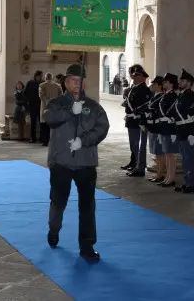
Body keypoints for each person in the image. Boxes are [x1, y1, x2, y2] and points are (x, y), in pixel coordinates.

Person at [44, 63, 110, 261]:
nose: (76, 84)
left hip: (86, 163)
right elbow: (48, 118)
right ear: (65, 82)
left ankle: (87, 245)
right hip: (61, 162)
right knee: (58, 202)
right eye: (72, 80)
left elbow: (102, 127)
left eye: (80, 81)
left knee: (87, 207)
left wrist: (84, 141)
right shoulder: (56, 103)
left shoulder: (93, 107)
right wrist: (70, 111)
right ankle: (54, 229)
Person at [122, 65, 152, 176]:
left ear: (142, 77)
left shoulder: (144, 90)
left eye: (136, 77)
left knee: (139, 145)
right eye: (133, 77)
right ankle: (136, 165)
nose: (133, 78)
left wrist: (136, 115)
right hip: (132, 121)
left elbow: (144, 106)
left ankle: (140, 168)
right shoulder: (134, 88)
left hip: (139, 122)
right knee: (133, 145)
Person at [174, 69, 194, 193]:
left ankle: (191, 184)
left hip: (188, 131)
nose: (180, 82)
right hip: (181, 130)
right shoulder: (181, 95)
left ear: (188, 83)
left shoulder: (192, 96)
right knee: (184, 159)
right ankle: (186, 181)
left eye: (182, 80)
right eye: (180, 80)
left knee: (189, 159)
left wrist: (193, 133)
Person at [156, 73, 180, 187]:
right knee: (166, 153)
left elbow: (175, 114)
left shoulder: (174, 96)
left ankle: (171, 178)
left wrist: (174, 131)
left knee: (171, 155)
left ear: (171, 83)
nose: (163, 83)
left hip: (170, 129)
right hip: (164, 127)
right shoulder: (165, 95)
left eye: (165, 82)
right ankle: (167, 177)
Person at [143, 76, 165, 182]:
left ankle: (160, 174)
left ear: (159, 86)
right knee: (156, 153)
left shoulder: (161, 97)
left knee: (160, 153)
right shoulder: (154, 96)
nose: (152, 85)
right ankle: (158, 173)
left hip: (157, 127)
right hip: (152, 127)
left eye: (154, 84)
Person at [40, 73, 63, 146]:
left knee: (45, 125)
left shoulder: (42, 85)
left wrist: (48, 103)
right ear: (52, 78)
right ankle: (55, 141)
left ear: (46, 77)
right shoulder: (58, 85)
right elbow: (61, 96)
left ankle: (45, 141)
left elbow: (41, 96)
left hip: (45, 108)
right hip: (55, 108)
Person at [25, 70, 43, 143]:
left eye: (41, 76)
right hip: (33, 105)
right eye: (40, 76)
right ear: (36, 76)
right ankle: (33, 138)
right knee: (33, 122)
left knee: (41, 122)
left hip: (40, 105)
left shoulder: (42, 83)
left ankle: (41, 138)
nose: (40, 77)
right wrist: (29, 100)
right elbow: (25, 92)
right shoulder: (30, 83)